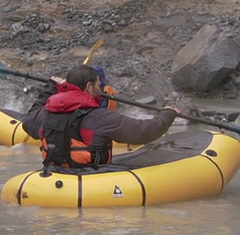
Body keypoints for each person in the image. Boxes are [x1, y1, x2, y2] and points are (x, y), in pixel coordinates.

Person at [23, 65, 180, 169]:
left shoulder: (46, 113)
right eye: (99, 86)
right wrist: (167, 114)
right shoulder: (99, 118)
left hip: (55, 172)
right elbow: (143, 132)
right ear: (89, 86)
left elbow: (28, 122)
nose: (101, 90)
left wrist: (49, 89)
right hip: (90, 175)